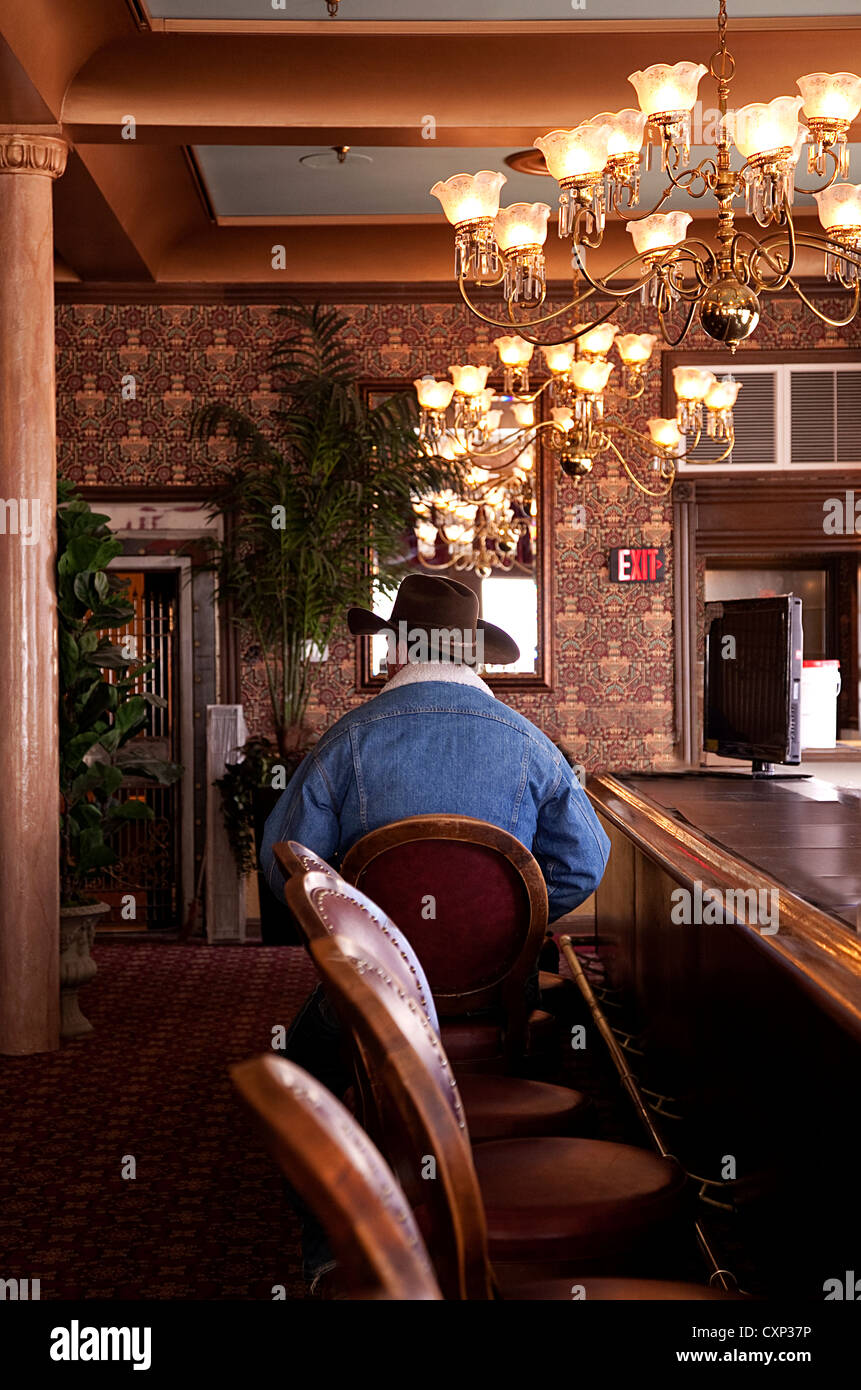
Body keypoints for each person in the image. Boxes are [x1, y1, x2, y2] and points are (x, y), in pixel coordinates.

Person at [259, 573, 610, 1289]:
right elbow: (585, 862)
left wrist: (360, 938)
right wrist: (513, 929)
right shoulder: (528, 742)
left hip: (369, 991)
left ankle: (330, 1251)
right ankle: (511, 1210)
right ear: (473, 653)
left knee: (297, 1067)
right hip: (496, 991)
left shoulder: (347, 740)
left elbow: (284, 867)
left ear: (397, 648)